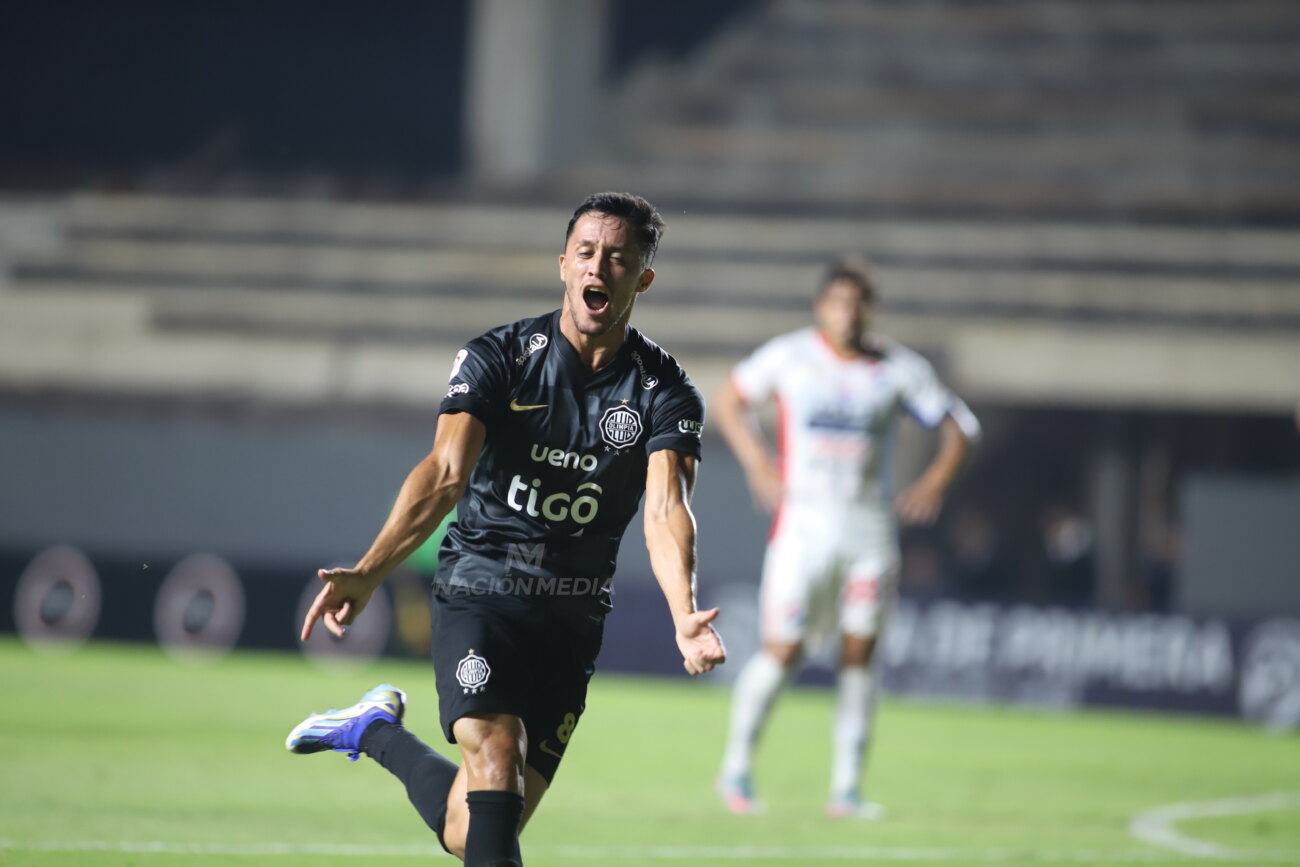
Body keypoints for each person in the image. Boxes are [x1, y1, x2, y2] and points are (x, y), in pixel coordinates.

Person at [284, 192, 726, 867]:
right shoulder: (501, 356)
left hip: (572, 616)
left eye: (617, 258)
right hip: (481, 589)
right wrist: (370, 570)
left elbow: (666, 510)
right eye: (585, 253)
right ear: (563, 265)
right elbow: (445, 473)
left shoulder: (664, 391)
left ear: (642, 279)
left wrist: (683, 613)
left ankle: (373, 731)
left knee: (475, 826)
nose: (598, 268)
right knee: (496, 757)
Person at [714, 257, 979, 819]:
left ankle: (847, 789)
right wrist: (759, 463)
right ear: (821, 308)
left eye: (858, 304)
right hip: (802, 528)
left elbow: (962, 429)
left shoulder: (898, 369)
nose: (848, 314)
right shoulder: (790, 357)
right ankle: (735, 770)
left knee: (860, 654)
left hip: (869, 532)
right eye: (838, 303)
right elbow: (729, 400)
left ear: (871, 310)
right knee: (783, 650)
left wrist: (934, 483)